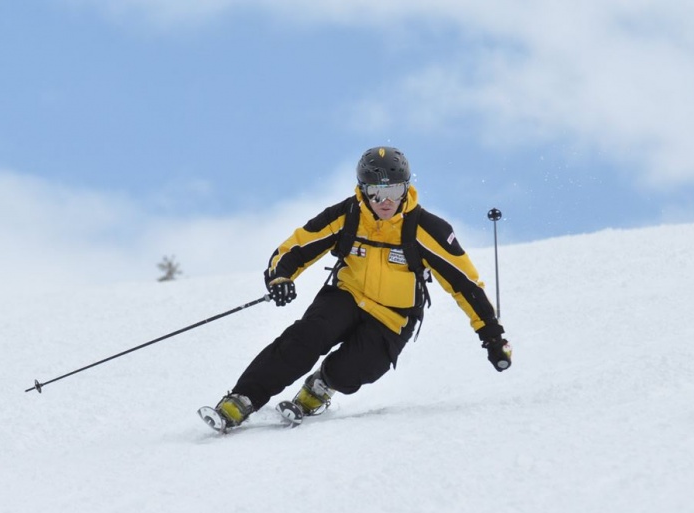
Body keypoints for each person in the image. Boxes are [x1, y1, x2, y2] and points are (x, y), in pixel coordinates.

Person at [206, 146, 512, 429]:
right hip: (346, 297)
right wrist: (280, 278)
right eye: (376, 193)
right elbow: (296, 247)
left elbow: (466, 284)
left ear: (406, 187)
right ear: (362, 190)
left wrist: (492, 336)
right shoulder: (347, 215)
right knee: (305, 339)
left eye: (393, 190)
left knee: (356, 368)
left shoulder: (425, 228)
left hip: (393, 316)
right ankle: (243, 399)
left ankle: (321, 385)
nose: (386, 202)